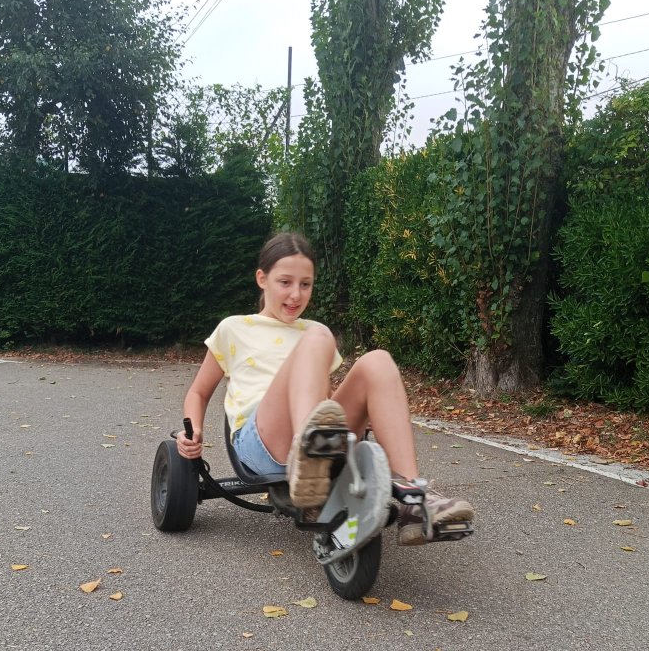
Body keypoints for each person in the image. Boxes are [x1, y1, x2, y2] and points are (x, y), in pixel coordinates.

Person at [177, 232, 474, 544]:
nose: (296, 295)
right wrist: (193, 432)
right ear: (262, 279)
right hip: (264, 439)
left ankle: (414, 500)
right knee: (318, 336)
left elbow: (324, 400)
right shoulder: (234, 328)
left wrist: (367, 414)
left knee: (379, 360)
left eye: (305, 284)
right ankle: (305, 454)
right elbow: (198, 392)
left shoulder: (314, 332)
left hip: (321, 433)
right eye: (285, 282)